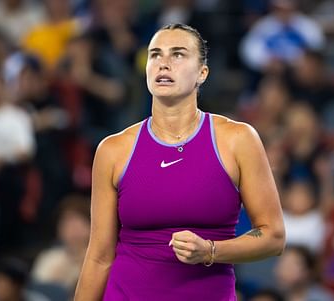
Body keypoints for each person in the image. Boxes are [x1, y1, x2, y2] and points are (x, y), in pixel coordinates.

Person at [74, 23, 286, 300]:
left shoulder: (238, 139)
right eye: (155, 54)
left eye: (177, 54)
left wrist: (210, 251)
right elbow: (99, 257)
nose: (163, 63)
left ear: (202, 73)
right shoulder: (113, 150)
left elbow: (274, 237)